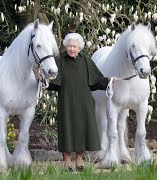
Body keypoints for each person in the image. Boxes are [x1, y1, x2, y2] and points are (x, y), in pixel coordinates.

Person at [47, 33, 115, 172]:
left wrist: (109, 80)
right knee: (67, 130)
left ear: (79, 48)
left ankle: (79, 159)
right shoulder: (59, 60)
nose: (72, 49)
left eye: (75, 46)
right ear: (66, 46)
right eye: (70, 46)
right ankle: (67, 160)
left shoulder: (86, 60)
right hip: (66, 102)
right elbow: (52, 82)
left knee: (84, 130)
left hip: (85, 103)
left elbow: (96, 81)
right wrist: (42, 79)